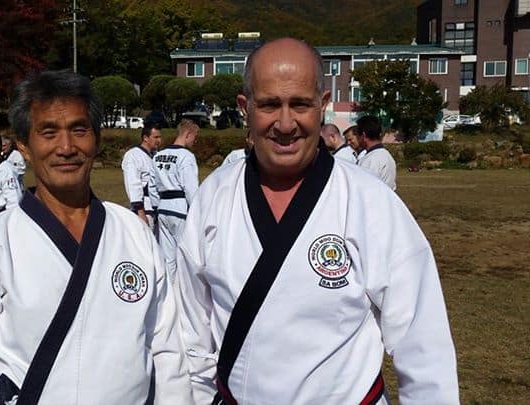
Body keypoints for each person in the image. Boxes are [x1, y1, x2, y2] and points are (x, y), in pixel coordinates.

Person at [176, 38, 458, 404]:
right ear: (245, 108)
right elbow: (191, 335)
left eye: (300, 104)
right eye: (269, 105)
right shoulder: (214, 198)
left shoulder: (368, 201)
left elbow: (423, 345)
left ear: (322, 105)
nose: (285, 123)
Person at [0, 69, 191, 404]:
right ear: (23, 145)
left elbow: (168, 353)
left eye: (79, 130)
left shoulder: (133, 233)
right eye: (48, 132)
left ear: (96, 138)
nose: (66, 147)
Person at [151, 118, 199, 283]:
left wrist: (156, 207)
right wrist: (197, 212)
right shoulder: (186, 156)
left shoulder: (158, 156)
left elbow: (153, 186)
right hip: (181, 210)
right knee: (186, 255)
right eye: (195, 137)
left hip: (163, 209)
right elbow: (191, 188)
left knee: (168, 257)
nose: (195, 141)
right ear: (188, 134)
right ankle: (185, 291)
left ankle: (169, 291)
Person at [121, 123, 162, 232]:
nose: (159, 140)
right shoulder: (133, 155)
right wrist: (140, 212)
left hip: (157, 209)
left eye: (160, 137)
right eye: (156, 137)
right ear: (145, 138)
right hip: (144, 210)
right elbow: (133, 184)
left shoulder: (157, 155)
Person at [357, 115, 397, 191]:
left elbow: (363, 189)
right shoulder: (387, 155)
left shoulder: (370, 160)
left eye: (358, 136)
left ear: (364, 136)